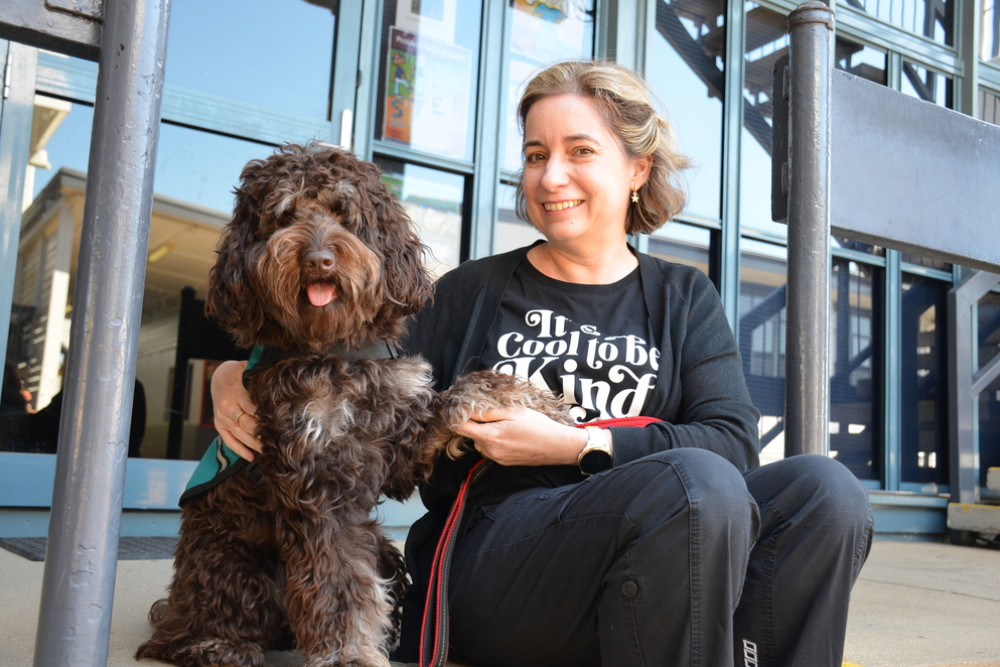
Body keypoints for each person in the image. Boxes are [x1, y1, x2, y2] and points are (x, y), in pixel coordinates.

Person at [211, 59, 873, 666]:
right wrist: (233, 372)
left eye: (579, 151)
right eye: (535, 155)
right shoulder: (470, 292)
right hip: (498, 559)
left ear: (637, 168)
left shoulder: (683, 295)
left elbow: (732, 444)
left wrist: (576, 443)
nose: (550, 176)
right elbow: (337, 364)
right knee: (695, 484)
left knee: (826, 493)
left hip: (664, 546)